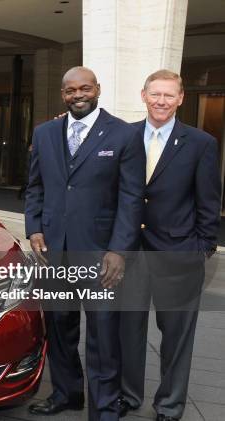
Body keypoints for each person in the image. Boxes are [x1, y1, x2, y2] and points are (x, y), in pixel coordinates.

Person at [25, 66, 145, 420]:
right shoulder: (44, 133)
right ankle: (67, 393)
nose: (78, 95)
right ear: (62, 94)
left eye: (85, 88)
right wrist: (34, 227)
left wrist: (119, 251)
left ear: (98, 89)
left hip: (100, 253)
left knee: (104, 335)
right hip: (53, 253)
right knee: (60, 329)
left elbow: (131, 198)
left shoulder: (123, 135)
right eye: (70, 90)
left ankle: (105, 407)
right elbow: (35, 187)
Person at [118, 70, 221, 421]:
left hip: (179, 254)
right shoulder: (123, 136)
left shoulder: (201, 143)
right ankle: (128, 397)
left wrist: (202, 249)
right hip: (130, 253)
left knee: (176, 336)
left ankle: (170, 406)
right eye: (155, 94)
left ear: (181, 99)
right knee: (128, 330)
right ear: (143, 95)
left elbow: (209, 203)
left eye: (168, 95)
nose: (161, 101)